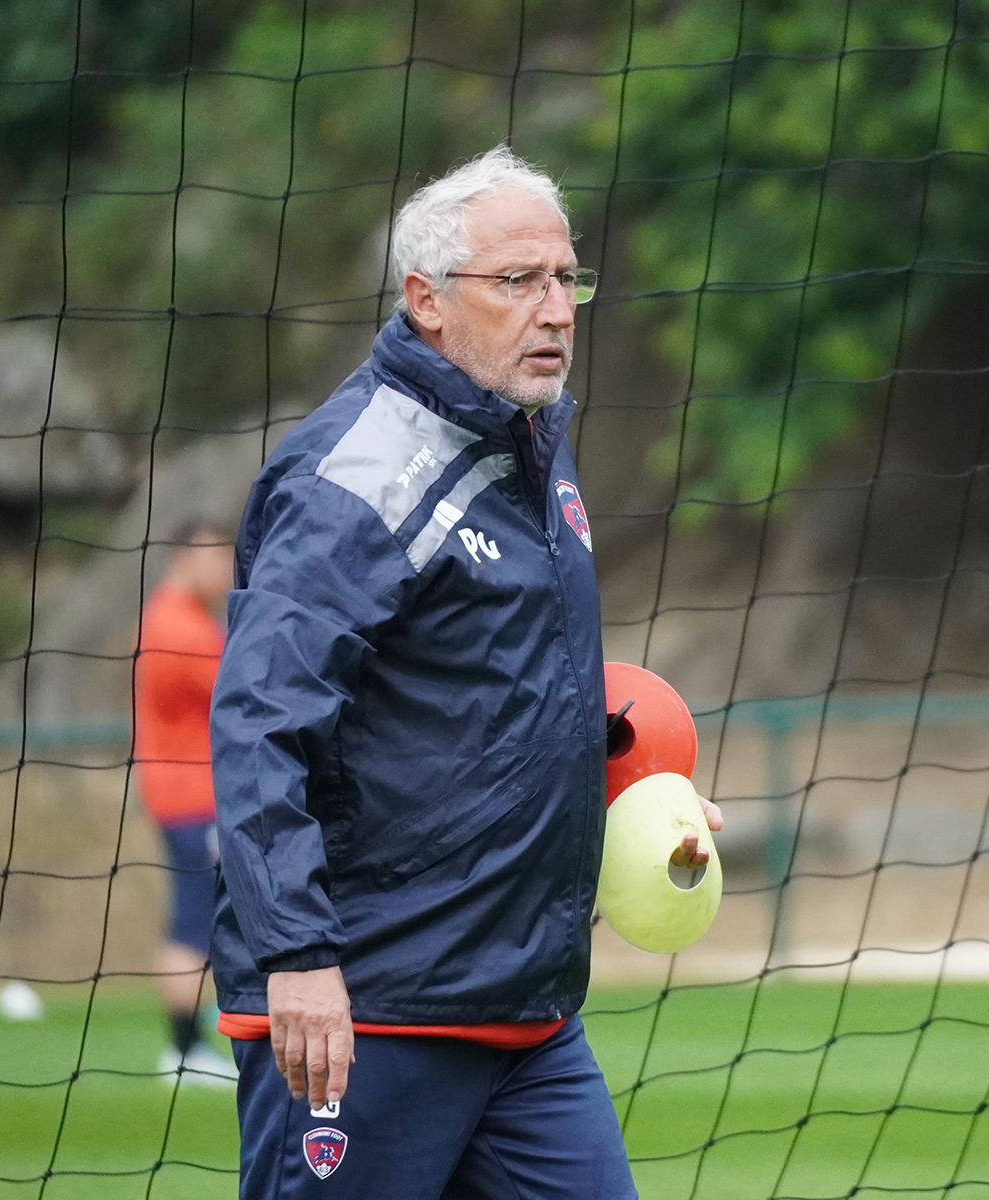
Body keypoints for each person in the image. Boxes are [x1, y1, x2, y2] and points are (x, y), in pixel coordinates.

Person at [209, 145, 722, 1198]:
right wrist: (297, 956)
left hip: (525, 1016)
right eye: (518, 280)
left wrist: (628, 790)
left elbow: (483, 698)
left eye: (566, 278)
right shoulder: (353, 478)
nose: (556, 309)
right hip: (369, 1010)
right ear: (426, 300)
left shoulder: (532, 447)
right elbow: (261, 721)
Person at [133, 520, 239, 1086]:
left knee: (203, 918)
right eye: (214, 558)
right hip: (193, 800)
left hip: (186, 796)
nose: (224, 571)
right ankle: (183, 1049)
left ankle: (191, 1044)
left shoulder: (176, 618)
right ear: (185, 558)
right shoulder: (181, 627)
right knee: (194, 922)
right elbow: (243, 690)